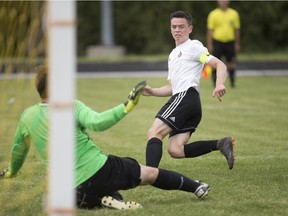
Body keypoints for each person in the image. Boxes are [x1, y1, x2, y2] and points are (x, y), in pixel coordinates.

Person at [0, 65, 211, 210]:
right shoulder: (70, 106)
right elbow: (98, 122)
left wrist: (11, 172)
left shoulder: (26, 116)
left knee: (68, 192)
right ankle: (197, 187)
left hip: (68, 184)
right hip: (98, 170)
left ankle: (105, 199)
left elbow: (18, 150)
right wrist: (126, 106)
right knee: (148, 173)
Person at [142, 11, 235, 170]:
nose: (177, 30)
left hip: (186, 97)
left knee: (154, 132)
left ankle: (149, 173)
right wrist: (153, 92)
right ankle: (221, 143)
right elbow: (172, 87)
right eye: (174, 27)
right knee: (175, 150)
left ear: (190, 28)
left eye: (181, 27)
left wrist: (219, 83)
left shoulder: (193, 46)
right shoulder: (172, 55)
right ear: (170, 29)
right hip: (189, 102)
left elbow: (220, 64)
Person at [207, 0, 241, 88]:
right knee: (215, 64)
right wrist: (210, 44)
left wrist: (237, 43)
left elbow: (236, 29)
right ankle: (215, 84)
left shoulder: (234, 13)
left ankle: (232, 83)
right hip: (217, 42)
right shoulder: (213, 14)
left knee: (231, 63)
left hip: (230, 42)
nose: (223, 1)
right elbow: (210, 30)